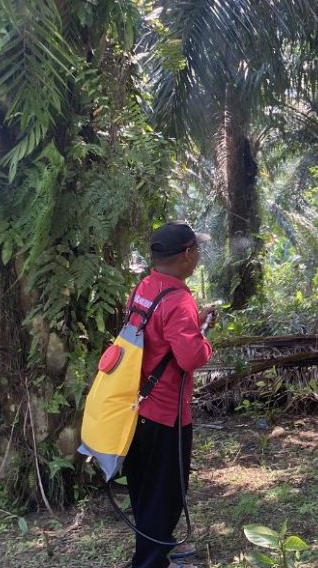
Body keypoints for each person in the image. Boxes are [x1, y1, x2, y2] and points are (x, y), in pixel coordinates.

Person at [123, 222, 217, 568]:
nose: (198, 257)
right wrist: (204, 337)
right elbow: (190, 358)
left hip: (136, 407)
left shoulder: (145, 287)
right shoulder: (179, 300)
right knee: (167, 495)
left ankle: (156, 550)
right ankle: (148, 562)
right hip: (166, 413)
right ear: (187, 255)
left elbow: (154, 337)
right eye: (197, 250)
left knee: (145, 489)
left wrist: (196, 324)